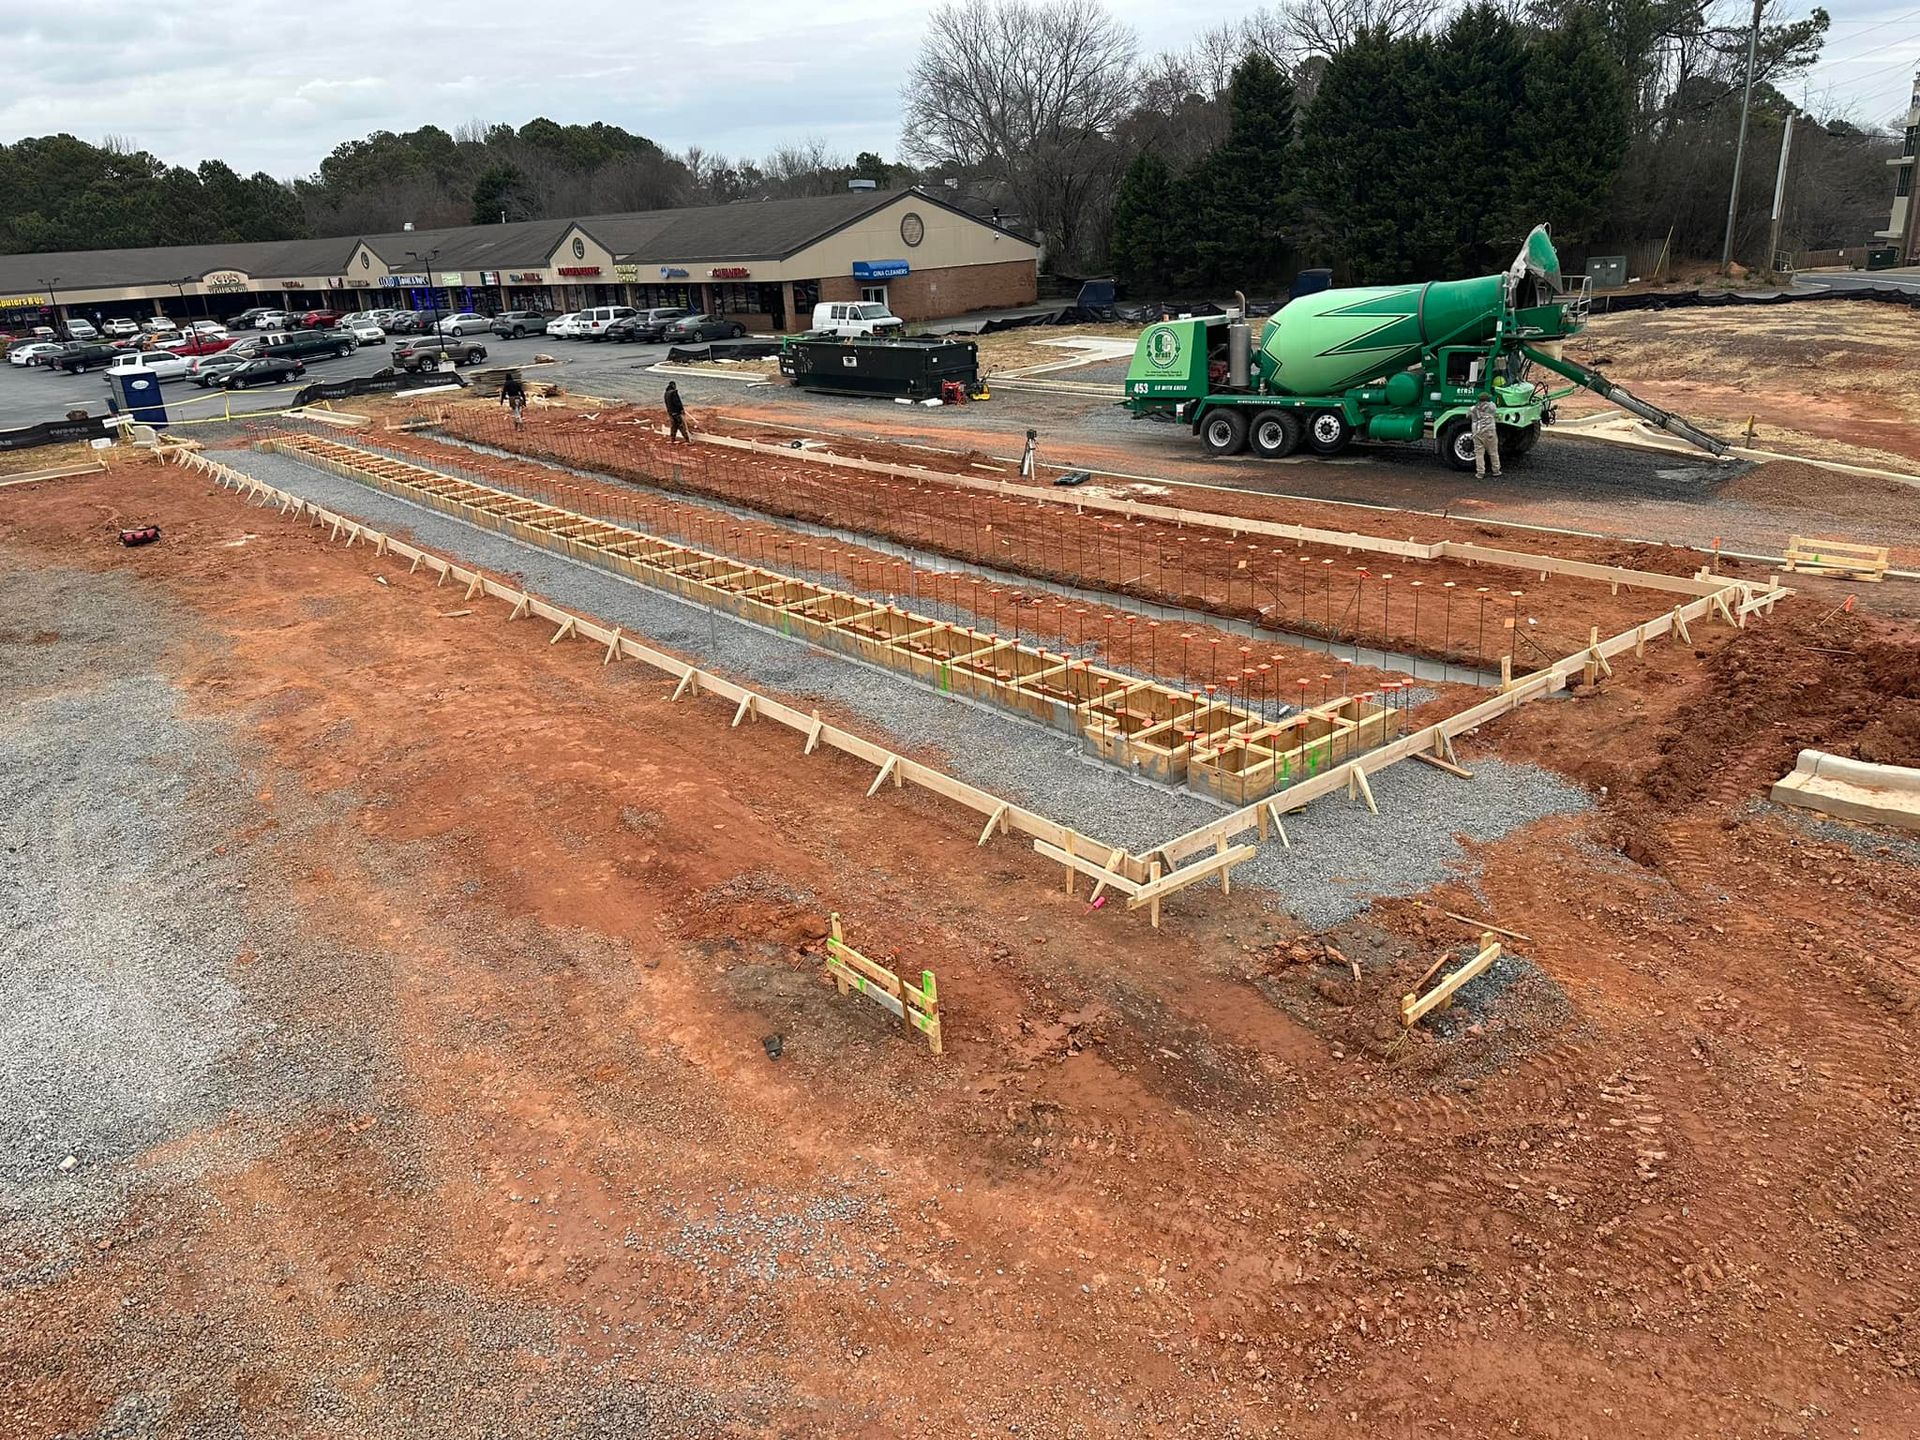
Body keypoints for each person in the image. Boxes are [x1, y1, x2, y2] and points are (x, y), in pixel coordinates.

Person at [1470, 394, 1501, 479]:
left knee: (1479, 453)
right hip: (1489, 432)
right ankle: (1496, 470)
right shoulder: (1492, 407)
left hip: (1477, 432)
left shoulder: (1474, 409)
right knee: (1493, 452)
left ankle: (1480, 473)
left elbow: (1468, 415)